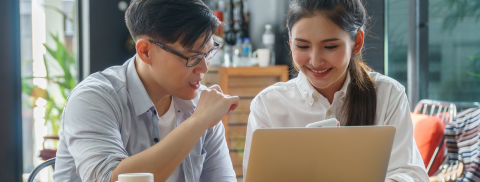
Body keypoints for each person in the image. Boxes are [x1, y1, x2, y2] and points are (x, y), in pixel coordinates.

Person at [242, 0, 429, 182]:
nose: (315, 61)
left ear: (357, 42)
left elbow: (410, 175)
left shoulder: (388, 95)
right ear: (290, 41)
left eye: (330, 47)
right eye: (302, 46)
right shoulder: (268, 105)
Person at [53, 0, 239, 181]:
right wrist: (199, 122)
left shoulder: (202, 104)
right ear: (145, 51)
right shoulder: (93, 99)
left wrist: (202, 119)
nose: (204, 68)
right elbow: (109, 179)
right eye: (193, 57)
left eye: (208, 53)